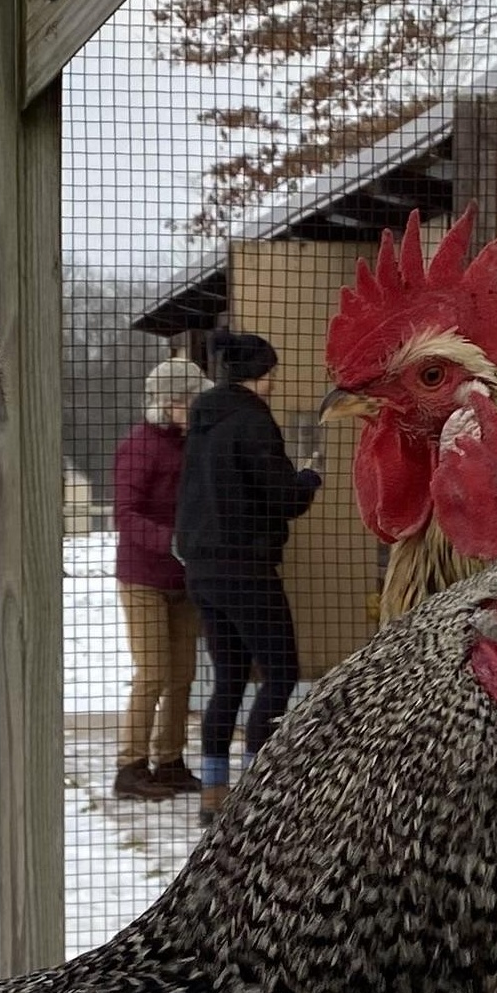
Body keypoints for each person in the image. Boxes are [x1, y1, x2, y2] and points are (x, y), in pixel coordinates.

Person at [172, 328, 320, 813]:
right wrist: (308, 478)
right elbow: (281, 497)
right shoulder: (253, 422)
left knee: (230, 676)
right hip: (245, 567)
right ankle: (258, 789)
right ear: (258, 374)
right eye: (271, 372)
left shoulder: (204, 418)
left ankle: (215, 792)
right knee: (281, 673)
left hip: (203, 568)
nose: (274, 382)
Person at [111, 358, 205, 801]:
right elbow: (125, 514)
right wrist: (171, 540)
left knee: (183, 674)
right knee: (153, 672)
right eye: (192, 400)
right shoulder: (140, 445)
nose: (197, 407)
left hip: (183, 577)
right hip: (143, 575)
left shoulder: (193, 443)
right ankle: (130, 766)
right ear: (169, 403)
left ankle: (169, 760)